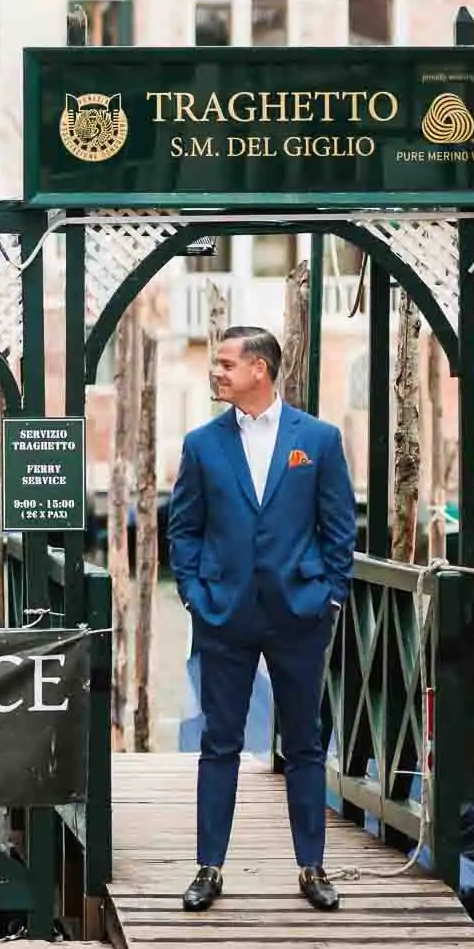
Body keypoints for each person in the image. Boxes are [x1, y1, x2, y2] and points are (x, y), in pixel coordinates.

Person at [167, 327, 355, 914]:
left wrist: (329, 593)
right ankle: (208, 868)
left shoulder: (318, 440)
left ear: (259, 370)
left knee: (304, 743)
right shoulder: (202, 444)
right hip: (224, 615)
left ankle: (312, 867)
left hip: (299, 613)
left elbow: (339, 527)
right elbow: (183, 529)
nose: (215, 373)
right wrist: (197, 594)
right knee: (217, 745)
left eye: (225, 364)